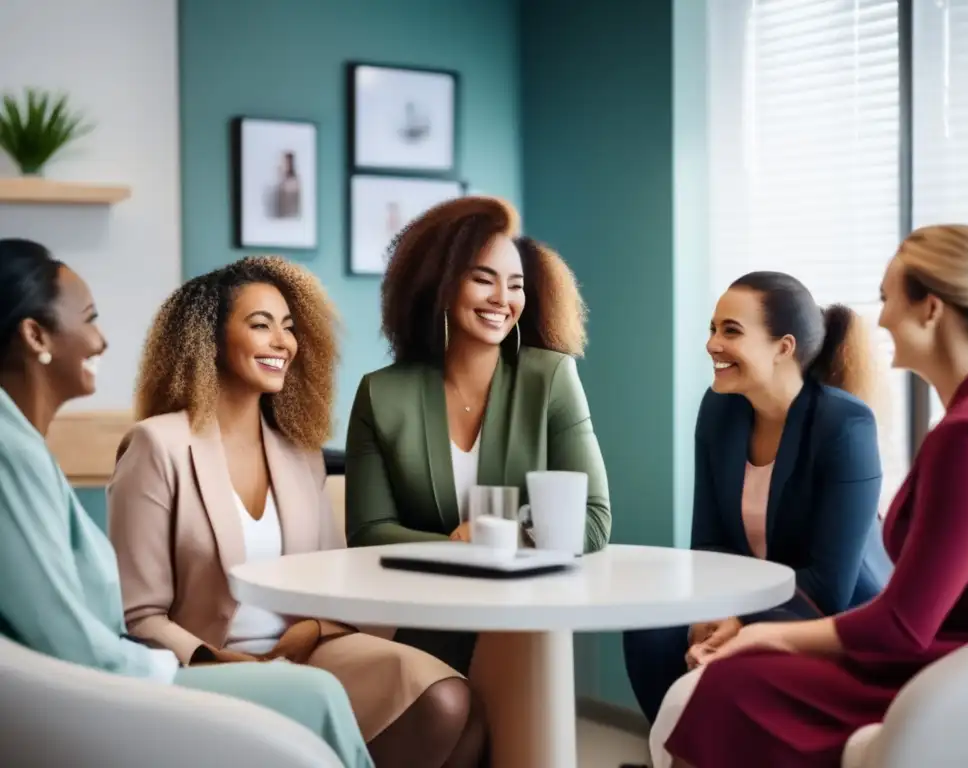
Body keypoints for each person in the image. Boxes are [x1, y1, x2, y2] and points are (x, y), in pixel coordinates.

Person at [650, 224, 968, 768]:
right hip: (953, 660)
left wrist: (763, 638)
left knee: (727, 687)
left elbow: (901, 624)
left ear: (932, 310)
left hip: (950, 675)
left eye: (888, 297)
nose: (882, 317)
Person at [0, 239, 372, 768]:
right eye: (88, 319)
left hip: (120, 678)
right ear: (35, 334)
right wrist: (193, 667)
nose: (102, 341)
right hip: (116, 689)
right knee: (318, 696)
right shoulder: (15, 450)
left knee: (388, 690)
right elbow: (72, 635)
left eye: (288, 325)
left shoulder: (22, 444)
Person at [107, 256, 485, 768]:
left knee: (459, 704)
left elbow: (328, 581)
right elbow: (139, 615)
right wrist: (217, 658)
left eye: (288, 327)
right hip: (207, 661)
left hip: (305, 646)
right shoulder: (158, 445)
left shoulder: (299, 451)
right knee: (440, 707)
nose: (282, 342)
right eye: (260, 325)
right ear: (209, 340)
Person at [345, 195, 611, 673]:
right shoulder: (381, 394)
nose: (502, 300)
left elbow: (592, 520)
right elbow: (368, 532)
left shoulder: (550, 378)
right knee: (443, 714)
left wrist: (498, 537)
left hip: (527, 615)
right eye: (482, 279)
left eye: (515, 285)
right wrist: (456, 547)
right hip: (429, 608)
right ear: (441, 286)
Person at [622, 271, 892, 723]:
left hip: (832, 618)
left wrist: (742, 624)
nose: (712, 344)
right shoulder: (719, 408)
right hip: (752, 601)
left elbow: (829, 586)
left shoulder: (845, 426)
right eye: (712, 328)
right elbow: (708, 546)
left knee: (731, 664)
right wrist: (711, 614)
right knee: (650, 633)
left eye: (731, 331)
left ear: (783, 348)